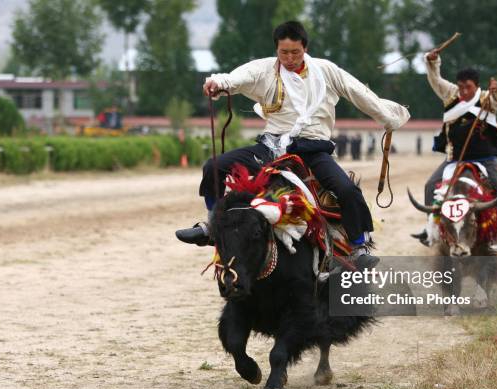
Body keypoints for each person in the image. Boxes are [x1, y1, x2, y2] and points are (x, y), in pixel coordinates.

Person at [175, 21, 410, 266]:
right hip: (270, 148)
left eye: (295, 52)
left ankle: (358, 246)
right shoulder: (264, 69)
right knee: (213, 166)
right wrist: (218, 83)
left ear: (305, 48)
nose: (289, 58)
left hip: (312, 149)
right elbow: (235, 78)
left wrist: (387, 117)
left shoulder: (327, 71)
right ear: (276, 49)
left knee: (347, 190)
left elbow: (359, 93)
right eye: (283, 52)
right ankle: (213, 226)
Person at [411, 48, 497, 248]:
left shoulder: (488, 99)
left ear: (477, 86)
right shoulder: (450, 95)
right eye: (461, 87)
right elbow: (435, 80)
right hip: (454, 159)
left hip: (486, 159)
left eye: (468, 87)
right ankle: (432, 227)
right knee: (430, 185)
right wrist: (432, 62)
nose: (463, 92)